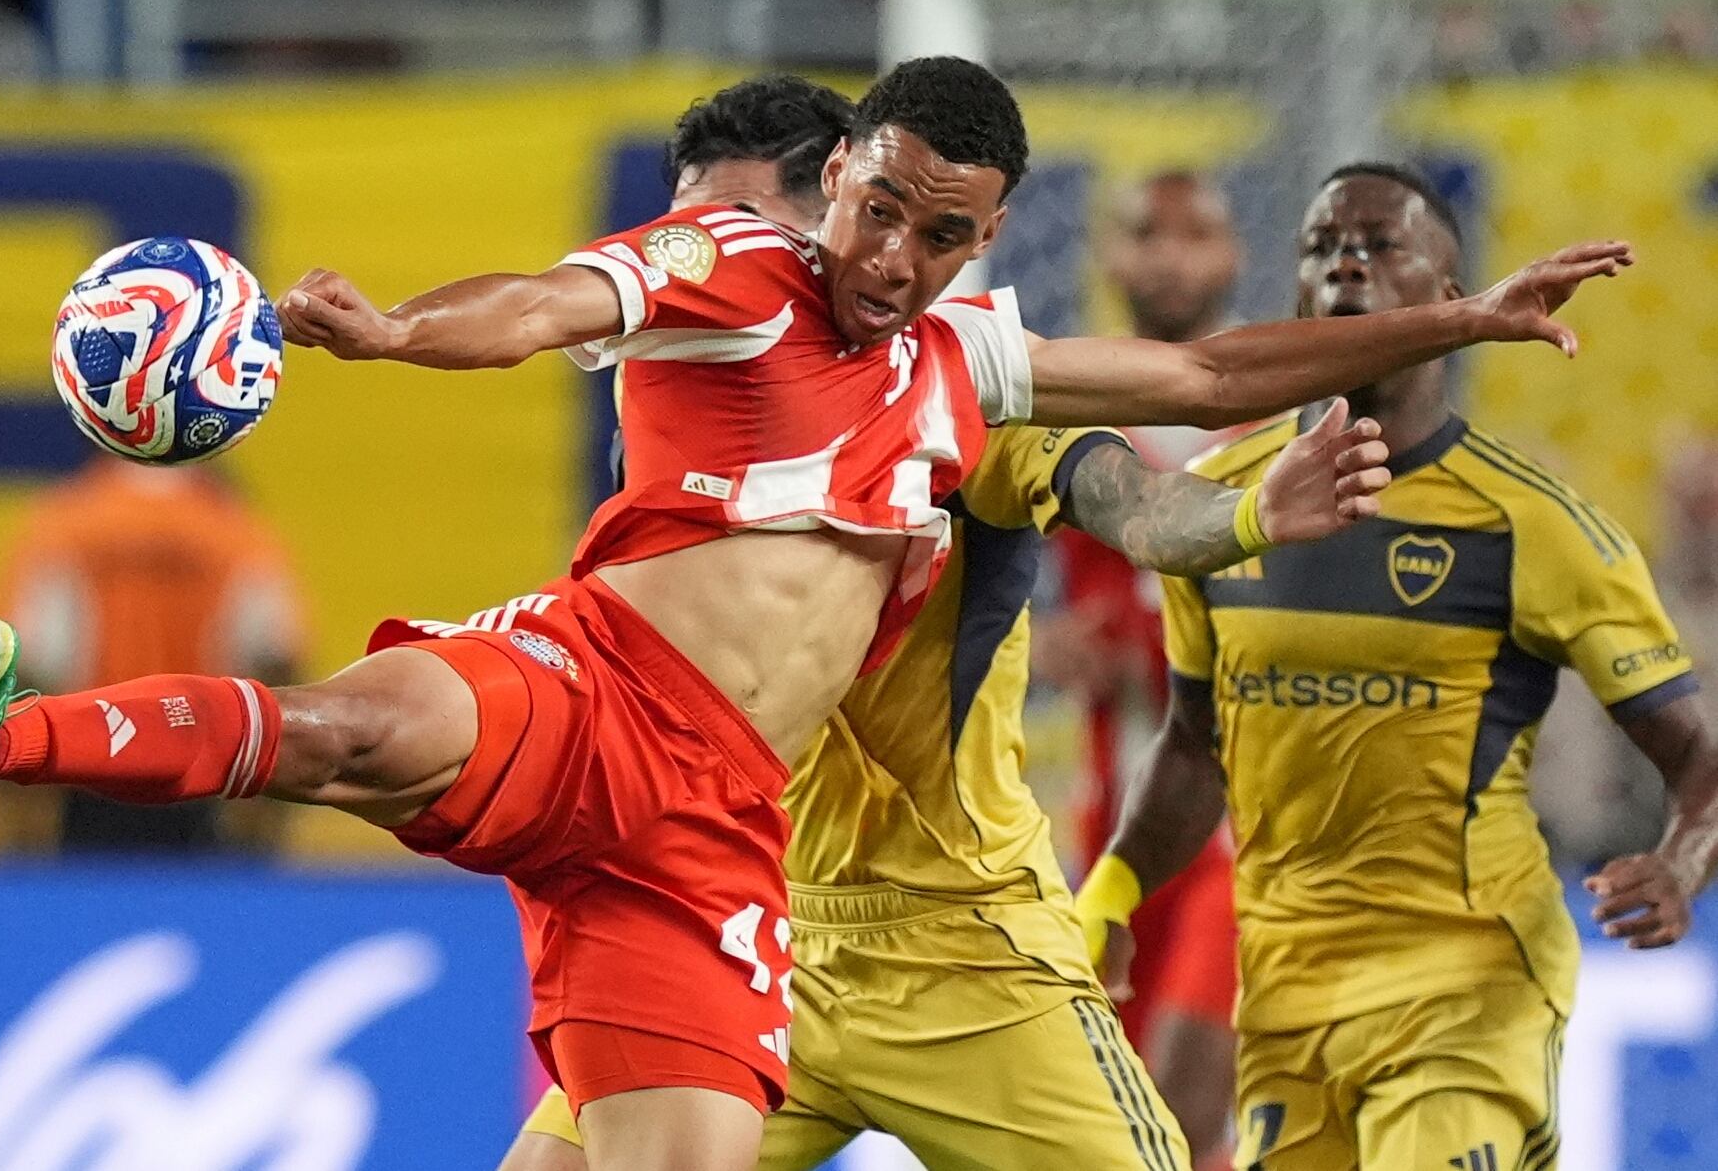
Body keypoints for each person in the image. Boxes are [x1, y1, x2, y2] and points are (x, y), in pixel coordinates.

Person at [0, 58, 1628, 1171]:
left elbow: (1198, 384)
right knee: (348, 732)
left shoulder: (967, 372)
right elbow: (540, 306)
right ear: (835, 177)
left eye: (939, 235)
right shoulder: (732, 268)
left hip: (725, 850)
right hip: (588, 684)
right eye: (875, 209)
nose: (890, 257)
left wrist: (1454, 324)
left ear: (983, 238)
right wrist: (393, 332)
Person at [507, 81, 1289, 1171]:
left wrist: (1245, 515)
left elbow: (1141, 501)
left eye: (738, 232)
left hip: (962, 940)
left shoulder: (972, 389)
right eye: (684, 235)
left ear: (833, 205)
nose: (701, 268)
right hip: (744, 921)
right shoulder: (671, 423)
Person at [1078, 163, 1718, 1170]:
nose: (1347, 263)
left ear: (1449, 296)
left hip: (1463, 990)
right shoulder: (1215, 505)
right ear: (1296, 295)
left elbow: (1694, 756)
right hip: (1286, 995)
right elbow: (1196, 745)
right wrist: (1111, 890)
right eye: (1322, 247)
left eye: (1381, 246)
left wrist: (1680, 863)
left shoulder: (1533, 524)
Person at [1042, 169, 1248, 1166]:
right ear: (1111, 257)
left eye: (1192, 233)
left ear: (1232, 255)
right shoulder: (1063, 407)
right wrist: (1037, 646)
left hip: (1242, 830)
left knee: (1181, 1103)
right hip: (1116, 830)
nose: (1168, 257)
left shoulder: (1285, 421)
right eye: (1145, 234)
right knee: (1121, 1130)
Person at [0, 456, 307, 852]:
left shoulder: (68, 520)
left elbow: (34, 661)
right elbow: (276, 652)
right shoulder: (231, 526)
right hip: (204, 775)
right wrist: (266, 802)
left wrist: (20, 806)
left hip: (90, 771)